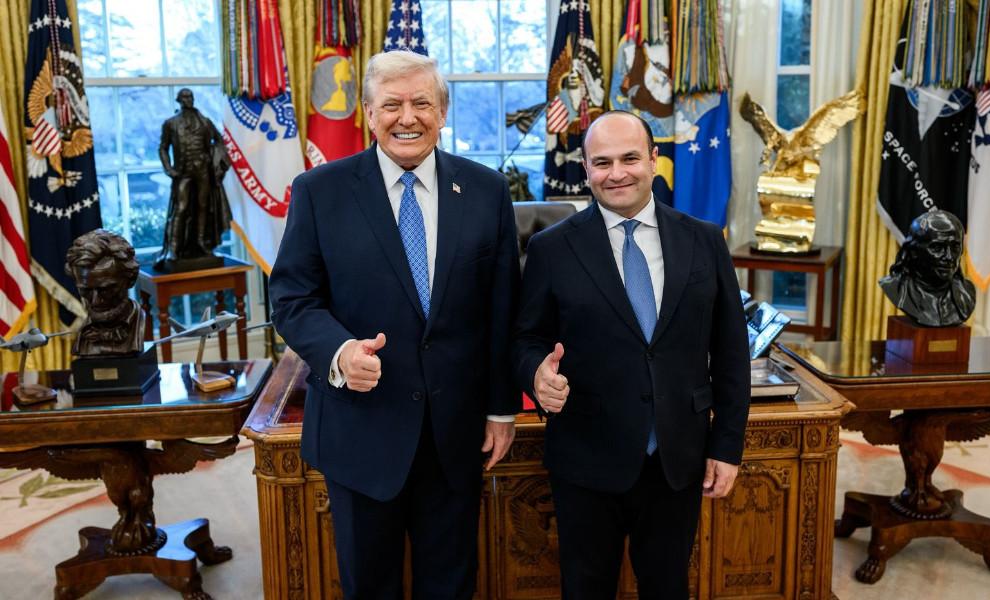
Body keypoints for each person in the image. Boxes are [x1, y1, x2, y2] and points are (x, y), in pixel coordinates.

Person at [269, 50, 521, 600]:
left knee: (451, 584)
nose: (408, 117)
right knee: (370, 585)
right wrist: (340, 353)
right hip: (361, 428)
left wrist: (502, 409)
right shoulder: (319, 191)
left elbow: (502, 308)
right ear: (368, 113)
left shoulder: (486, 190)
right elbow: (291, 298)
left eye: (422, 103)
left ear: (442, 112)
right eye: (392, 105)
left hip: (456, 434)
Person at [513, 111, 751, 599]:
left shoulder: (704, 240)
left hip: (677, 458)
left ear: (654, 160)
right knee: (586, 589)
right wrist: (536, 373)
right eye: (602, 162)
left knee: (667, 587)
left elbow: (731, 352)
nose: (616, 173)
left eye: (630, 159)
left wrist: (727, 447)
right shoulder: (551, 248)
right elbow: (524, 340)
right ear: (585, 168)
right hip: (586, 458)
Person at [156, 88, 232, 270]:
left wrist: (215, 159)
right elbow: (163, 148)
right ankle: (174, 248)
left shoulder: (204, 122)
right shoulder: (171, 123)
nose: (188, 100)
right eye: (184, 97)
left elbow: (219, 141)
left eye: (190, 97)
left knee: (203, 206)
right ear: (179, 100)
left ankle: (201, 243)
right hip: (183, 172)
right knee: (181, 208)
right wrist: (169, 169)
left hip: (203, 171)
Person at [879, 209, 975, 327]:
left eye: (955, 248)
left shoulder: (966, 294)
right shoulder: (895, 288)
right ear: (914, 251)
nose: (949, 257)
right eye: (937, 248)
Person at [65, 229, 144, 357]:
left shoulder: (139, 325)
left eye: (106, 290)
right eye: (86, 290)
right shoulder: (83, 336)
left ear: (130, 280)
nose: (96, 301)